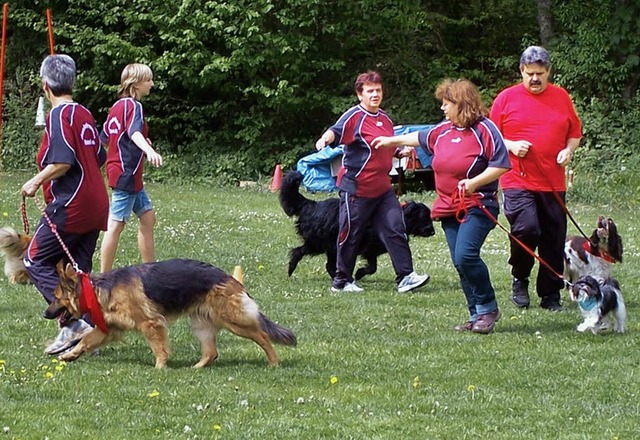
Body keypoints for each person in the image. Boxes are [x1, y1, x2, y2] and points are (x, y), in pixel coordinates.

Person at [373, 79, 511, 333]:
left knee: (466, 255)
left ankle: (488, 308)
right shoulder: (445, 129)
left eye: (447, 104)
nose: (443, 109)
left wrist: (474, 182)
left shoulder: (486, 130)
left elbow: (501, 164)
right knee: (460, 263)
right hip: (448, 207)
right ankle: (475, 316)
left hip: (478, 205)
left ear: (463, 104)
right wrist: (390, 141)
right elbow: (419, 137)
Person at [21, 54, 109, 354]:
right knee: (78, 271)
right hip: (97, 201)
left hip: (72, 203)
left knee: (34, 260)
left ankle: (72, 324)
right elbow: (98, 155)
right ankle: (86, 337)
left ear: (45, 85)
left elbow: (62, 161)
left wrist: (35, 181)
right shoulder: (84, 113)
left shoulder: (58, 116)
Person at [315, 70, 430, 293]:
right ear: (360, 95)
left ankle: (406, 276)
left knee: (396, 227)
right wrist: (324, 140)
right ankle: (342, 281)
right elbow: (334, 132)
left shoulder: (385, 119)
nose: (375, 94)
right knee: (351, 232)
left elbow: (385, 144)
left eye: (378, 90)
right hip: (358, 188)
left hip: (383, 189)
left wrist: (399, 152)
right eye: (370, 91)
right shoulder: (354, 117)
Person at [489, 46, 582, 311]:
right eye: (530, 73)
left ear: (548, 71)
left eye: (540, 74)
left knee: (553, 238)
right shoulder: (506, 98)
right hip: (517, 179)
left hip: (552, 182)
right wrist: (510, 145)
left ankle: (550, 293)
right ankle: (520, 276)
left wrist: (568, 150)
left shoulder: (561, 97)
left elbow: (574, 132)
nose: (534, 79)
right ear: (521, 71)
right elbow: (492, 136)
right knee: (526, 229)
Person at [99, 63, 163, 273]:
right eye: (148, 80)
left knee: (148, 218)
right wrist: (148, 150)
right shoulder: (135, 107)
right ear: (135, 84)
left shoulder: (117, 107)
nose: (152, 84)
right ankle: (104, 277)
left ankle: (150, 270)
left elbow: (107, 138)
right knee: (115, 225)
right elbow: (133, 133)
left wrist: (142, 142)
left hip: (129, 176)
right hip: (126, 175)